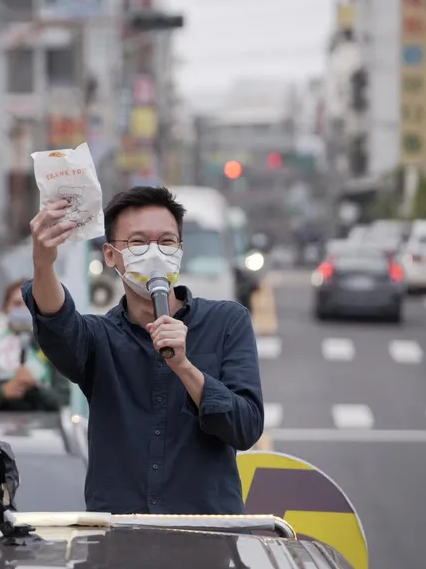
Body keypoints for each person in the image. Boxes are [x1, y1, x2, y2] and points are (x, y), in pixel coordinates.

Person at [23, 186, 263, 515]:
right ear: (110, 255)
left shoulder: (227, 321)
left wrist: (185, 368)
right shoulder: (99, 337)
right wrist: (43, 263)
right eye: (137, 242)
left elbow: (246, 427)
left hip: (206, 536)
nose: (154, 253)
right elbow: (57, 323)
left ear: (180, 250)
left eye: (166, 241)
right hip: (118, 539)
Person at [0, 279, 71, 411]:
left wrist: (35, 386)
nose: (23, 309)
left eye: (29, 304)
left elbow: (63, 400)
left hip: (42, 428)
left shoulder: (52, 350)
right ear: (5, 307)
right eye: (17, 303)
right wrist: (3, 391)